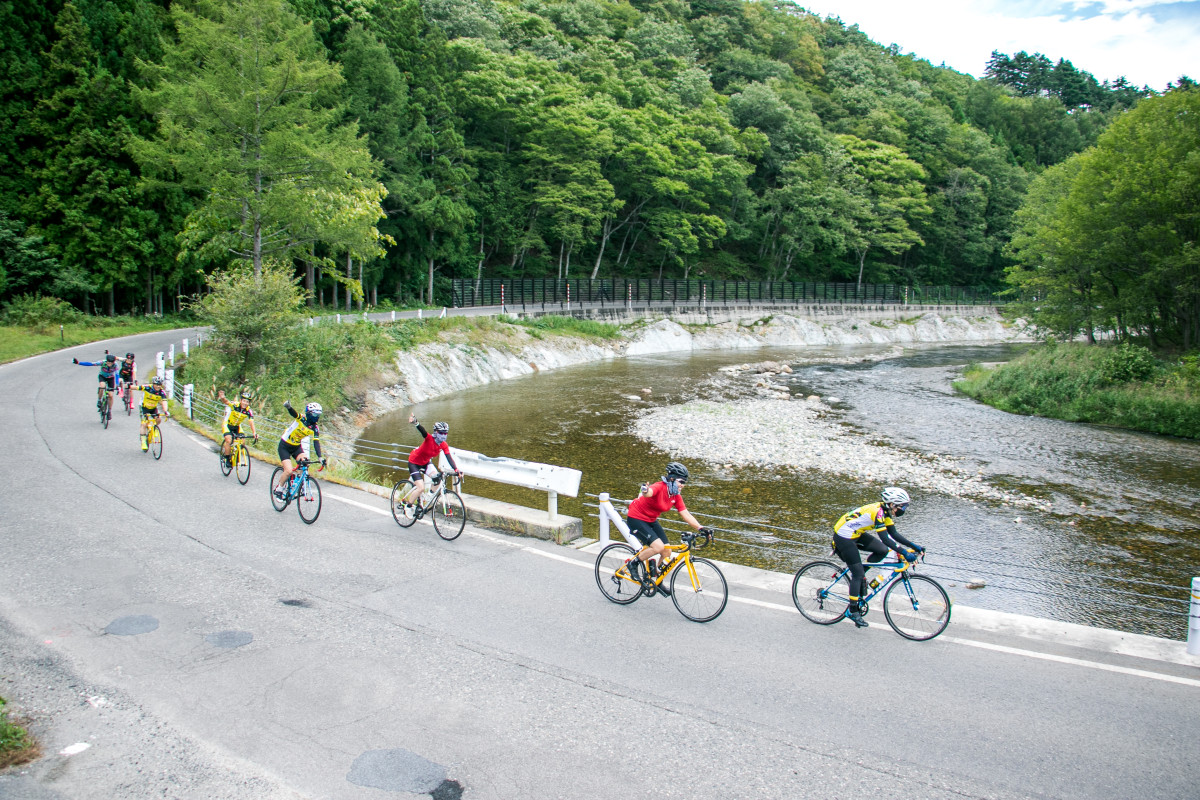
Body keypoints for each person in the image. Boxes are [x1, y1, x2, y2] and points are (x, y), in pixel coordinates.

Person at [832, 487, 924, 628]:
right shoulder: (878, 513)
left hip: (855, 533)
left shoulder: (885, 512)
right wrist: (905, 553)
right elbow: (886, 539)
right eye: (903, 507)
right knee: (858, 574)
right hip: (844, 536)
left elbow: (893, 534)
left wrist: (915, 546)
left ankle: (860, 574)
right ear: (893, 504)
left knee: (882, 550)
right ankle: (853, 610)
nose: (904, 510)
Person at [624, 461, 713, 597]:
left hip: (651, 520)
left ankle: (657, 581)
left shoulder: (675, 495)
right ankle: (633, 564)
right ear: (671, 479)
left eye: (685, 482)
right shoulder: (660, 487)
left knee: (667, 552)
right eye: (681, 481)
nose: (683, 485)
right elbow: (649, 492)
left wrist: (701, 528)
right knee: (658, 547)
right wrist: (645, 490)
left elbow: (685, 513)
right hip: (636, 518)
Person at [397, 413, 462, 517]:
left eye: (446, 433)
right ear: (436, 432)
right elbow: (422, 431)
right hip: (414, 462)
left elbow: (449, 457)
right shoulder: (429, 439)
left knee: (437, 478)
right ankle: (408, 506)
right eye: (441, 433)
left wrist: (456, 470)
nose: (444, 435)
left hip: (426, 463)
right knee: (421, 488)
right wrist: (416, 422)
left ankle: (427, 498)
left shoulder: (443, 445)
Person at [273, 401, 325, 500]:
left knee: (306, 463)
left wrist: (320, 457)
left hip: (296, 447)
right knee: (288, 471)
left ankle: (296, 482)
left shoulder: (315, 427)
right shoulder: (302, 418)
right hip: (284, 446)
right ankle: (279, 489)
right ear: (309, 413)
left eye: (318, 415)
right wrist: (289, 407)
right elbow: (294, 413)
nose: (317, 417)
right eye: (315, 414)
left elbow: (316, 443)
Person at [216, 389, 258, 466]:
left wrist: (254, 433)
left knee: (242, 441)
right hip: (227, 424)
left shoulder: (249, 411)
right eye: (244, 401)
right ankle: (227, 458)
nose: (245, 403)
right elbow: (226, 402)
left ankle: (237, 454)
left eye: (247, 402)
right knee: (229, 440)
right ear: (240, 400)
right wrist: (222, 397)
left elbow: (251, 422)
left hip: (237, 426)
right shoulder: (235, 405)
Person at [134, 376, 170, 450]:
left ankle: (154, 428)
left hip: (153, 408)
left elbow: (164, 402)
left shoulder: (161, 392)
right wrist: (128, 386)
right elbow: (136, 388)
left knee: (159, 419)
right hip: (144, 407)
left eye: (160, 385)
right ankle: (143, 441)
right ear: (153, 384)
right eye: (156, 384)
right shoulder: (147, 388)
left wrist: (165, 411)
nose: (158, 386)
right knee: (144, 424)